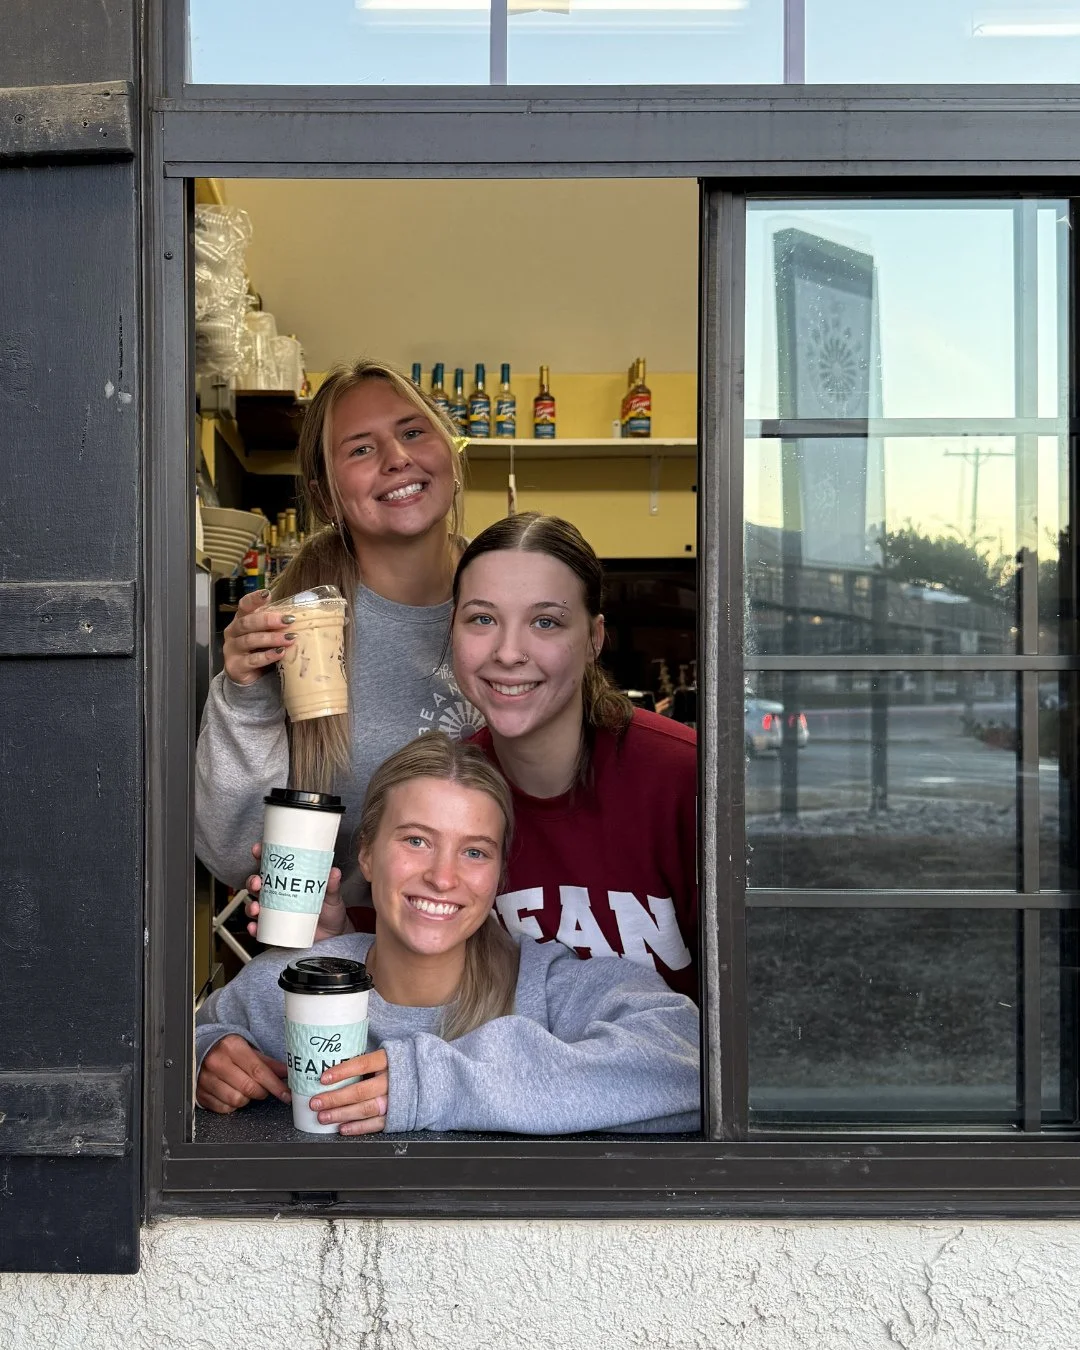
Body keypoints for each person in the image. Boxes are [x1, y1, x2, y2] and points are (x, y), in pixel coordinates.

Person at [194, 734, 700, 1136]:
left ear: (500, 873)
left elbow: (690, 1063)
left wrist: (430, 1083)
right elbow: (163, 1050)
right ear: (366, 854)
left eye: (475, 851)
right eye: (416, 840)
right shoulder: (288, 985)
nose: (443, 876)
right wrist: (204, 1061)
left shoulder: (549, 987)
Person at [195, 359, 482, 913]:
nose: (398, 458)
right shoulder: (301, 627)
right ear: (325, 497)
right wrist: (247, 697)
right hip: (352, 966)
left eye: (413, 432)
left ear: (448, 450)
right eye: (361, 449)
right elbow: (235, 855)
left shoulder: (511, 598)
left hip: (515, 958)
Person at [448, 513, 699, 1000]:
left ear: (594, 639)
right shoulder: (444, 790)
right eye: (482, 618)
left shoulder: (683, 780)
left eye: (545, 622)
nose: (508, 652)